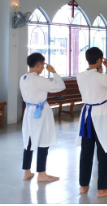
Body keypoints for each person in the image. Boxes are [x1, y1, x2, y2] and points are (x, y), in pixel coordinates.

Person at [76, 47, 107, 197]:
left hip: (86, 115)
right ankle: (102, 188)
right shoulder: (102, 77)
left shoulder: (80, 76)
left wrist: (100, 72)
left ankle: (83, 185)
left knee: (86, 151)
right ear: (100, 60)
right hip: (100, 115)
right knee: (103, 150)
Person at [20, 53, 66, 183]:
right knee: (43, 141)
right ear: (39, 64)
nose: (43, 68)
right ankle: (41, 174)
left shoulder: (23, 78)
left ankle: (27, 171)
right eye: (42, 65)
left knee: (28, 140)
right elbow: (61, 86)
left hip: (29, 111)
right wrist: (54, 72)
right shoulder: (39, 80)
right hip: (40, 112)